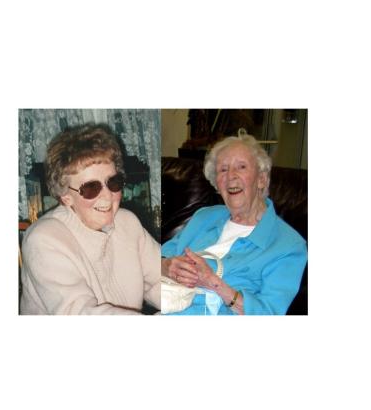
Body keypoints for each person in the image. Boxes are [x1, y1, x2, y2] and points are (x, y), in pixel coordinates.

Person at [20, 124, 161, 315]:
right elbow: (79, 313)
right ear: (65, 196)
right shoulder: (43, 239)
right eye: (91, 188)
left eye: (113, 182)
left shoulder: (128, 222)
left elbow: (158, 282)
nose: (107, 196)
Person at [161, 133, 307, 315]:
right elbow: (156, 258)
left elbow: (269, 313)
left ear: (261, 179)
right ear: (217, 184)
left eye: (241, 167)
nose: (231, 176)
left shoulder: (288, 246)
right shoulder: (204, 217)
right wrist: (166, 266)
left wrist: (214, 283)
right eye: (223, 170)